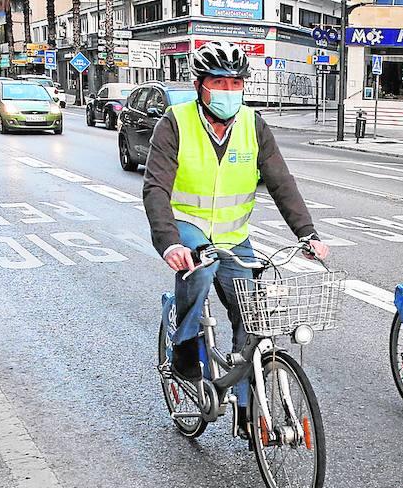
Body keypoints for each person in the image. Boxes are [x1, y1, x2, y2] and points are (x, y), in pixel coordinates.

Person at [141, 41, 329, 438]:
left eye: (235, 83)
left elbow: (281, 182)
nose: (228, 90)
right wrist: (170, 242)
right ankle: (185, 349)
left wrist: (307, 233)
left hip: (234, 234)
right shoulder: (174, 123)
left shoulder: (254, 124)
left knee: (252, 315)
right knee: (200, 268)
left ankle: (246, 411)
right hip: (188, 225)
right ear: (200, 85)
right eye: (218, 82)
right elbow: (156, 187)